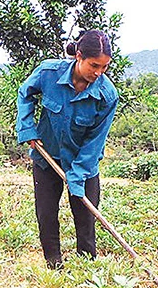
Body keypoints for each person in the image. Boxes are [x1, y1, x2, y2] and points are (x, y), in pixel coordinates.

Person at [16, 29, 119, 270]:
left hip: (83, 162)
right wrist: (27, 127)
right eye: (94, 65)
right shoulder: (49, 73)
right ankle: (54, 264)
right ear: (79, 56)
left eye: (104, 67)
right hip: (47, 157)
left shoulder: (107, 95)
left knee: (86, 216)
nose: (98, 73)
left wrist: (78, 173)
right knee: (47, 213)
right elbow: (25, 94)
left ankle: (86, 267)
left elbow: (96, 141)